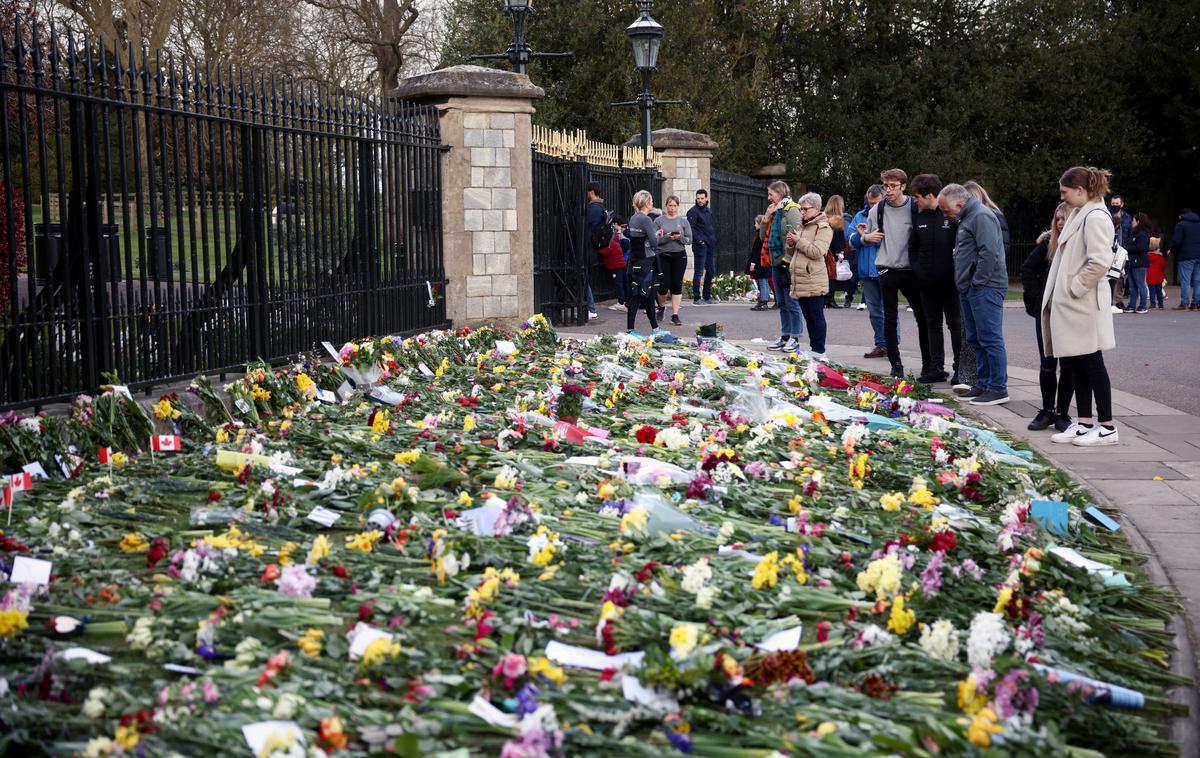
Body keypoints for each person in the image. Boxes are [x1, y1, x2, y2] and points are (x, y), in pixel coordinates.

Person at [1043, 167, 1119, 446]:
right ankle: (1086, 422)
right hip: (1075, 305)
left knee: (1092, 363)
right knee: (1076, 363)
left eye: (1064, 191)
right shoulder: (1080, 213)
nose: (1061, 196)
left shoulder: (1096, 216)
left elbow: (1099, 261)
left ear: (1080, 190)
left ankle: (1108, 426)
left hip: (1083, 304)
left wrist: (1073, 288)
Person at [939, 183, 1009, 405]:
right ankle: (984, 383)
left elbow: (989, 252)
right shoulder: (968, 217)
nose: (944, 215)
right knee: (976, 338)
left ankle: (998, 388)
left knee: (989, 338)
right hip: (972, 288)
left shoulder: (981, 216)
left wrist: (977, 282)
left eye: (946, 210)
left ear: (959, 204)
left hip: (985, 288)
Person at [864, 168, 929, 378]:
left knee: (923, 317)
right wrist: (867, 238)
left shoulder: (915, 206)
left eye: (893, 186)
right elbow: (863, 236)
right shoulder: (878, 209)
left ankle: (929, 364)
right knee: (889, 319)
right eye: (886, 186)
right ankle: (896, 365)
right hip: (887, 269)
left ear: (903, 186)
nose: (888, 190)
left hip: (911, 271)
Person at [1019, 203, 1074, 432]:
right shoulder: (1047, 243)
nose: (1060, 223)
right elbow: (1027, 270)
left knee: (1069, 364)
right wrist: (1038, 297)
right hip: (1048, 312)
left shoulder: (1078, 243)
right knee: (1048, 364)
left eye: (1064, 219)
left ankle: (1063, 413)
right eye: (1057, 219)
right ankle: (1047, 410)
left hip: (1070, 312)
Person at [909, 173, 962, 384]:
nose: (915, 200)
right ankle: (935, 368)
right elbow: (913, 247)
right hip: (926, 282)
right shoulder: (919, 217)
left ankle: (960, 369)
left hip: (950, 282)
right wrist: (917, 269)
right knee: (932, 324)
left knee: (955, 325)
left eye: (917, 196)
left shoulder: (949, 215)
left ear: (929, 195)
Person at [786, 192, 832, 357]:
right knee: (808, 316)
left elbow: (817, 252)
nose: (802, 212)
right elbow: (792, 251)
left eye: (805, 209)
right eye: (801, 209)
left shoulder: (823, 227)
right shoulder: (802, 225)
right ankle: (813, 349)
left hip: (814, 278)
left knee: (816, 316)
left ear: (816, 209)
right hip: (799, 278)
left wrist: (798, 240)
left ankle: (819, 351)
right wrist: (791, 243)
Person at [761, 181, 804, 351]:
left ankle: (795, 336)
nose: (769, 197)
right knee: (782, 302)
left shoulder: (791, 210)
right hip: (775, 261)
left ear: (780, 193)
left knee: (791, 301)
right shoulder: (775, 211)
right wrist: (766, 216)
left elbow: (794, 236)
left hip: (787, 262)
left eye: (771, 194)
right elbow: (763, 235)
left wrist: (787, 260)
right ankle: (785, 334)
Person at [848, 185, 889, 356]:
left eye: (876, 203)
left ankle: (892, 344)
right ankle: (880, 344)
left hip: (886, 268)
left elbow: (893, 240)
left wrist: (869, 238)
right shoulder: (860, 216)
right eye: (870, 203)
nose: (872, 206)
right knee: (874, 311)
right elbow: (850, 240)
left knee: (889, 311)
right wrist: (862, 237)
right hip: (866, 270)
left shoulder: (890, 215)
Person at [625, 190, 661, 335]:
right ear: (646, 202)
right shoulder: (646, 219)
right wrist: (658, 236)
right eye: (651, 200)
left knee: (649, 294)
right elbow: (654, 242)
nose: (653, 202)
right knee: (640, 295)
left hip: (635, 259)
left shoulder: (634, 217)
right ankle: (630, 329)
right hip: (646, 260)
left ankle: (655, 329)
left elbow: (638, 237)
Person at [654, 196, 693, 326]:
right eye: (670, 205)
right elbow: (654, 240)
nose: (672, 208)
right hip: (663, 255)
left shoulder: (683, 222)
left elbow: (689, 240)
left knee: (676, 285)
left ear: (678, 206)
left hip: (679, 256)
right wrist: (667, 237)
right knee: (664, 284)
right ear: (666, 206)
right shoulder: (659, 221)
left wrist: (679, 237)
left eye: (675, 205)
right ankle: (661, 306)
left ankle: (675, 315)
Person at [822, 195, 854, 308]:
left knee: (826, 275)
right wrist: (840, 251)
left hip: (824, 250)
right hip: (833, 251)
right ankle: (830, 299)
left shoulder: (823, 218)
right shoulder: (837, 219)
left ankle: (826, 299)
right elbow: (836, 238)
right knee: (832, 274)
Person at [687, 189, 718, 305]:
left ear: (706, 199)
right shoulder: (692, 212)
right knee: (699, 272)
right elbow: (691, 228)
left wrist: (712, 240)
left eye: (702, 198)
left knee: (711, 270)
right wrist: (700, 241)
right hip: (700, 246)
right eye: (698, 198)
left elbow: (709, 227)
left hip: (709, 245)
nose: (699, 200)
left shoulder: (708, 211)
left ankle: (707, 296)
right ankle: (696, 298)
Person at [584, 181, 609, 320]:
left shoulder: (594, 208)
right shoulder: (600, 206)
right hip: (593, 247)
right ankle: (589, 307)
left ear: (591, 192)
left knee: (584, 278)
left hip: (588, 247)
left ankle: (591, 308)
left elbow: (589, 228)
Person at [1173, 207, 1200, 310]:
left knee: (1186, 280)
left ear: (1181, 215)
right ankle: (1196, 303)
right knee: (1198, 280)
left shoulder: (1181, 225)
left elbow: (1177, 241)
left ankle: (1185, 303)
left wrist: (1172, 250)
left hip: (1186, 256)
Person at [1124, 212, 1151, 313]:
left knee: (1140, 284)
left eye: (1133, 220)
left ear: (1138, 222)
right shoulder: (1134, 233)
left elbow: (1140, 248)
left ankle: (1143, 306)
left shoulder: (1142, 234)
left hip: (1140, 262)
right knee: (1132, 285)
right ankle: (1132, 305)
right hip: (1133, 262)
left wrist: (1127, 248)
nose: (1132, 222)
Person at [601, 215, 629, 312]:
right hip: (621, 265)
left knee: (619, 284)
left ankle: (621, 303)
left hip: (616, 266)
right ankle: (625, 301)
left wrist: (599, 250)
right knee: (623, 283)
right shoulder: (616, 240)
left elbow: (606, 251)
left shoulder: (612, 242)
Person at [746, 214, 772, 310]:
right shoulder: (765, 234)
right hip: (765, 261)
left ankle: (763, 302)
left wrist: (753, 263)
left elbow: (757, 251)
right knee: (763, 281)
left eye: (756, 223)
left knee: (762, 281)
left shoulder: (760, 236)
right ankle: (763, 301)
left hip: (761, 262)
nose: (754, 225)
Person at [1147, 236, 1167, 309]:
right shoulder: (1160, 257)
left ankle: (1152, 304)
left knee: (1151, 291)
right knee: (1159, 291)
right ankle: (1160, 304)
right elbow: (1163, 265)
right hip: (1159, 277)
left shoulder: (1147, 257)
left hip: (1149, 277)